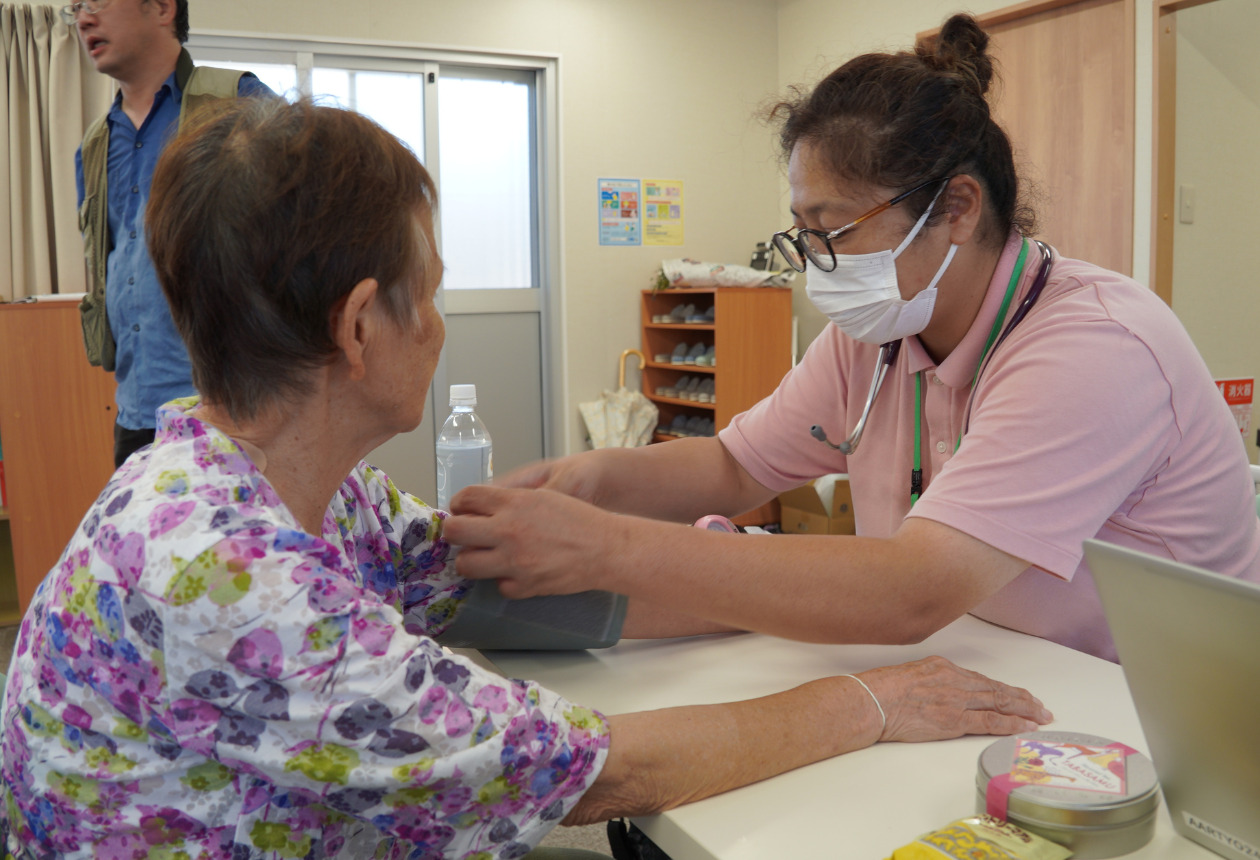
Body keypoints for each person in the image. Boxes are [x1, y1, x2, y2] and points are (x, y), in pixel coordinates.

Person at [0, 98, 1051, 860]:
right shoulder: (236, 580)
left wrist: (745, 586)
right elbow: (600, 768)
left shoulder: (252, 475)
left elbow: (494, 578)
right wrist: (867, 699)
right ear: (361, 325)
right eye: (432, 293)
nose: (443, 324)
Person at [444, 14, 1260, 663]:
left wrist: (611, 548)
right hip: (981, 659)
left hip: (1137, 715)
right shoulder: (879, 335)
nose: (815, 265)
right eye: (803, 231)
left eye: (831, 229)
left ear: (958, 209)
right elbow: (734, 466)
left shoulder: (1095, 349)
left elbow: (912, 589)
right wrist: (593, 480)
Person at [68, 0, 274, 467]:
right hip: (136, 411)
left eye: (95, 1)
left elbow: (307, 227)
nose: (83, 18)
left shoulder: (236, 101)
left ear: (160, 8)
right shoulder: (94, 144)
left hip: (234, 407)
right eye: (75, 6)